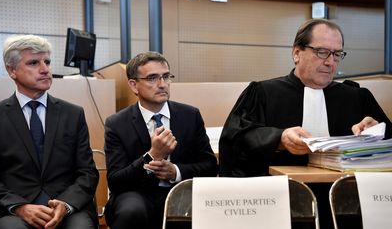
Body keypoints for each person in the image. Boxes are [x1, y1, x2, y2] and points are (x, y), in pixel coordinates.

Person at [218, 19, 392, 229]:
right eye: (322, 52)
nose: (330, 62)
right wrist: (278, 138)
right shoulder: (263, 92)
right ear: (297, 53)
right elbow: (233, 140)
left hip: (349, 208)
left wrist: (377, 131)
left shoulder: (356, 97)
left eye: (337, 54)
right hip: (280, 207)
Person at [0, 35, 99, 229]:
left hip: (65, 206)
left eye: (47, 61)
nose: (45, 69)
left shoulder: (73, 114)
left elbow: (87, 172)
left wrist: (66, 204)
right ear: (12, 70)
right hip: (13, 210)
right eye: (33, 63)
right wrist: (20, 207)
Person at [104, 51, 218, 229]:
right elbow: (116, 181)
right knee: (131, 210)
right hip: (137, 193)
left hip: (181, 190)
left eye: (166, 76)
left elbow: (210, 166)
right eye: (152, 78)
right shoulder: (117, 123)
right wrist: (152, 156)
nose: (162, 84)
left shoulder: (190, 115)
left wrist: (175, 171)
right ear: (134, 85)